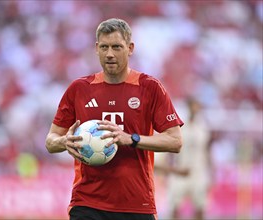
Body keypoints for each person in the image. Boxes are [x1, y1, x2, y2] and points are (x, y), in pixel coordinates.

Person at [45, 18, 184, 220]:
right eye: (104, 47)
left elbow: (175, 141)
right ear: (96, 48)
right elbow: (50, 141)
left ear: (130, 48)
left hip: (136, 203)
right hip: (87, 202)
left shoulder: (150, 87)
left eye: (117, 47)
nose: (109, 54)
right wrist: (63, 142)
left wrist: (131, 139)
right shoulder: (79, 89)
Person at [155, 97, 211, 220]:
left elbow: (206, 150)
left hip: (198, 171)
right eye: (193, 106)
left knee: (200, 207)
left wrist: (211, 172)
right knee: (175, 207)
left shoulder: (202, 129)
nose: (196, 110)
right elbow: (169, 149)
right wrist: (169, 171)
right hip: (179, 171)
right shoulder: (179, 128)